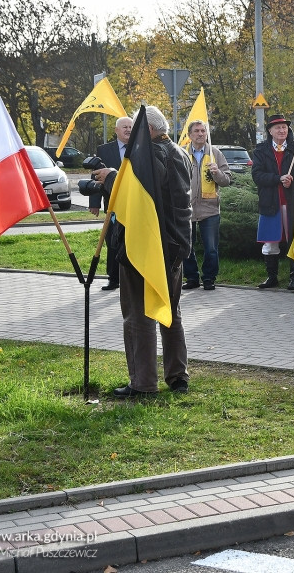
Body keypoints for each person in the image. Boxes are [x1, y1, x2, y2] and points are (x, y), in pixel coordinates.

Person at [92, 106, 192, 396]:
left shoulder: (149, 156)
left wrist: (111, 177)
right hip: (175, 245)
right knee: (170, 311)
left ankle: (143, 383)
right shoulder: (180, 152)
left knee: (138, 315)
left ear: (147, 130)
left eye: (136, 129)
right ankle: (178, 377)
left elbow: (137, 194)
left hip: (146, 244)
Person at [252, 114, 294, 290]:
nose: (282, 130)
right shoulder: (260, 150)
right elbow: (257, 176)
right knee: (270, 241)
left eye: (284, 127)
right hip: (270, 202)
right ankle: (272, 277)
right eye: (278, 127)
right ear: (270, 131)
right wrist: (278, 178)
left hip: (293, 202)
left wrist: (292, 182)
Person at [182, 120, 232, 291]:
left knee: (211, 248)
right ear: (189, 135)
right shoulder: (182, 153)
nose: (200, 134)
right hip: (186, 208)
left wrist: (217, 173)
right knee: (187, 246)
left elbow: (227, 180)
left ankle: (209, 278)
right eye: (196, 131)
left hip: (210, 209)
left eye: (203, 131)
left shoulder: (215, 153)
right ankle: (191, 278)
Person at [90, 116, 133, 291]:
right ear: (116, 130)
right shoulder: (104, 150)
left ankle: (131, 279)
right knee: (112, 241)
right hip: (112, 205)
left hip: (133, 204)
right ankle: (113, 278)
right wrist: (94, 202)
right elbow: (96, 176)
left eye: (130, 127)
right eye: (124, 127)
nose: (128, 130)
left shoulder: (140, 148)